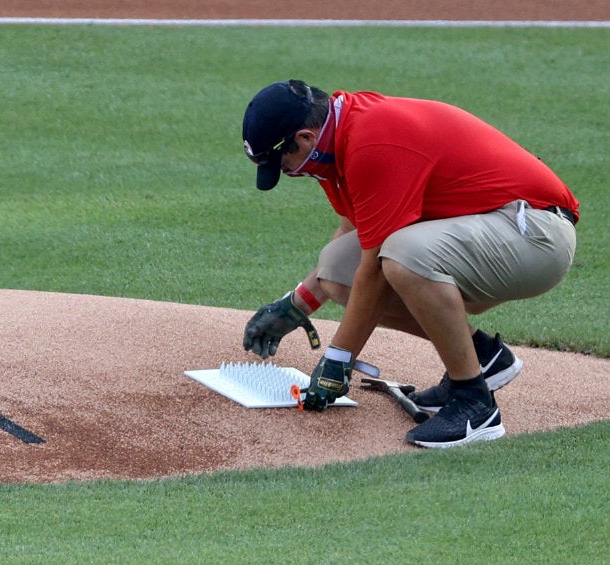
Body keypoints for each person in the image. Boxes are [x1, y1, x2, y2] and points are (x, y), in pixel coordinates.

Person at [240, 80, 579, 448]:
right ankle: (483, 357)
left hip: (537, 234)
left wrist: (339, 358)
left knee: (402, 254)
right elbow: (357, 234)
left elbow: (374, 264)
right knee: (336, 269)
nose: (287, 172)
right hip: (499, 226)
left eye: (283, 162)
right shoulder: (337, 139)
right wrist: (298, 303)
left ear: (305, 139)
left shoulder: (371, 142)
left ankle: (475, 405)